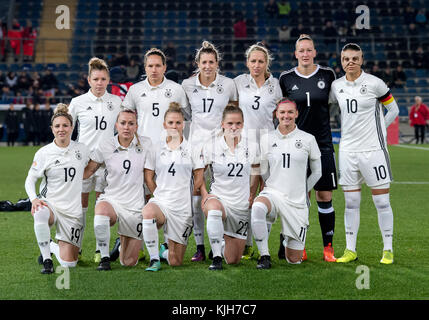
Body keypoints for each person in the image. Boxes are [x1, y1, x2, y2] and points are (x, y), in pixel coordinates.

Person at [329, 43, 399, 264]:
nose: (350, 62)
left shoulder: (375, 83)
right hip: (348, 151)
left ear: (361, 60)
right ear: (341, 61)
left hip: (373, 151)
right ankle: (351, 249)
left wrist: (380, 129)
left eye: (355, 58)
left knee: (381, 202)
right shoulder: (336, 86)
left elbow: (394, 109)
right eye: (346, 58)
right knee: (351, 203)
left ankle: (387, 248)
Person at [119, 48, 189, 257]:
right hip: (141, 151)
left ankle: (168, 243)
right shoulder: (135, 90)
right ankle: (137, 244)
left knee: (168, 194)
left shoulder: (176, 89)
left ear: (165, 67)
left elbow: (184, 119)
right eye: (150, 65)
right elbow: (127, 120)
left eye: (158, 65)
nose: (154, 69)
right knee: (137, 197)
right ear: (145, 67)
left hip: (169, 151)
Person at [278, 34, 337, 262]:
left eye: (308, 50)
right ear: (295, 54)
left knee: (324, 195)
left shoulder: (327, 75)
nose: (305, 54)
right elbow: (282, 111)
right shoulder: (286, 78)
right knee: (299, 197)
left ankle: (328, 247)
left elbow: (333, 102)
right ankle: (297, 245)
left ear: (314, 52)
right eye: (301, 50)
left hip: (322, 145)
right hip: (297, 147)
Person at [182, 41, 238, 262]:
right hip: (196, 147)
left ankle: (222, 241)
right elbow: (186, 112)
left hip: (221, 146)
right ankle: (200, 247)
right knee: (196, 198)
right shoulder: (187, 85)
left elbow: (233, 112)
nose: (207, 66)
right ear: (197, 64)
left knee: (222, 194)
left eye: (211, 62)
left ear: (217, 64)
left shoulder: (229, 84)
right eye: (204, 62)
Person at [251, 99, 322, 269]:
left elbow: (317, 171)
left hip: (297, 201)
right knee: (258, 207)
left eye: (290, 112)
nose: (286, 116)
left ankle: (288, 238)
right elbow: (263, 168)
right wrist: (270, 184)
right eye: (282, 112)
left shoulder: (308, 139)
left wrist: (304, 190)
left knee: (294, 260)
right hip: (273, 194)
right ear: (276, 114)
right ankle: (264, 256)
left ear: (296, 114)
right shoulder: (267, 138)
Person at [83, 108, 152, 270]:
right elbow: (88, 171)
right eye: (123, 123)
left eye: (131, 123)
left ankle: (122, 244)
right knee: (101, 210)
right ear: (116, 125)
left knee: (128, 262)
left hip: (135, 206)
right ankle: (104, 257)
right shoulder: (106, 145)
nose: (126, 127)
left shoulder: (146, 144)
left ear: (136, 126)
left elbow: (152, 174)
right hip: (112, 200)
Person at [24, 104, 90, 274]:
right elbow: (30, 180)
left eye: (65, 126)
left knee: (69, 264)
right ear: (52, 129)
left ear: (72, 127)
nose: (62, 129)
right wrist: (34, 199)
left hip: (72, 211)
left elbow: (91, 167)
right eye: (57, 126)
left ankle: (52, 246)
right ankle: (47, 260)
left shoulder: (82, 150)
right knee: (39, 212)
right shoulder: (44, 153)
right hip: (51, 204)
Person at [69, 57, 122, 262]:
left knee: (102, 209)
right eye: (96, 79)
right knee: (80, 208)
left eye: (103, 79)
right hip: (84, 164)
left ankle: (102, 250)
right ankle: (77, 247)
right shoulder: (78, 102)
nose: (99, 83)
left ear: (108, 80)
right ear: (88, 80)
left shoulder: (116, 102)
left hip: (107, 164)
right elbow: (67, 131)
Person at [142, 103, 205, 271]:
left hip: (183, 208)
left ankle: (163, 252)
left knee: (175, 261)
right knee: (148, 213)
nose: (174, 126)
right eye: (170, 123)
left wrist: (187, 194)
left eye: (178, 122)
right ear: (164, 125)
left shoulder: (192, 148)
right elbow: (148, 176)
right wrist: (159, 195)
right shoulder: (155, 147)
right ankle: (154, 259)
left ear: (183, 124)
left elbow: (199, 176)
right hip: (162, 203)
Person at [234, 43, 282, 258]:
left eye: (261, 61)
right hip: (244, 147)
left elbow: (283, 113)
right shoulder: (238, 83)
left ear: (266, 63)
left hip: (269, 147)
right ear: (247, 63)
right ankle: (247, 242)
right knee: (247, 196)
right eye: (253, 61)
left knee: (269, 194)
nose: (256, 65)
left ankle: (265, 242)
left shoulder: (276, 85)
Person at [201, 105, 260, 270]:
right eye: (230, 123)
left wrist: (251, 194)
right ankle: (216, 258)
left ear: (242, 124)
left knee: (234, 260)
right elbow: (199, 174)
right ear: (222, 124)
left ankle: (220, 243)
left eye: (238, 123)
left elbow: (256, 172)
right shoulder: (211, 146)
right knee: (213, 210)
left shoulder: (252, 146)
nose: (234, 127)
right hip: (218, 198)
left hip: (240, 204)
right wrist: (205, 195)